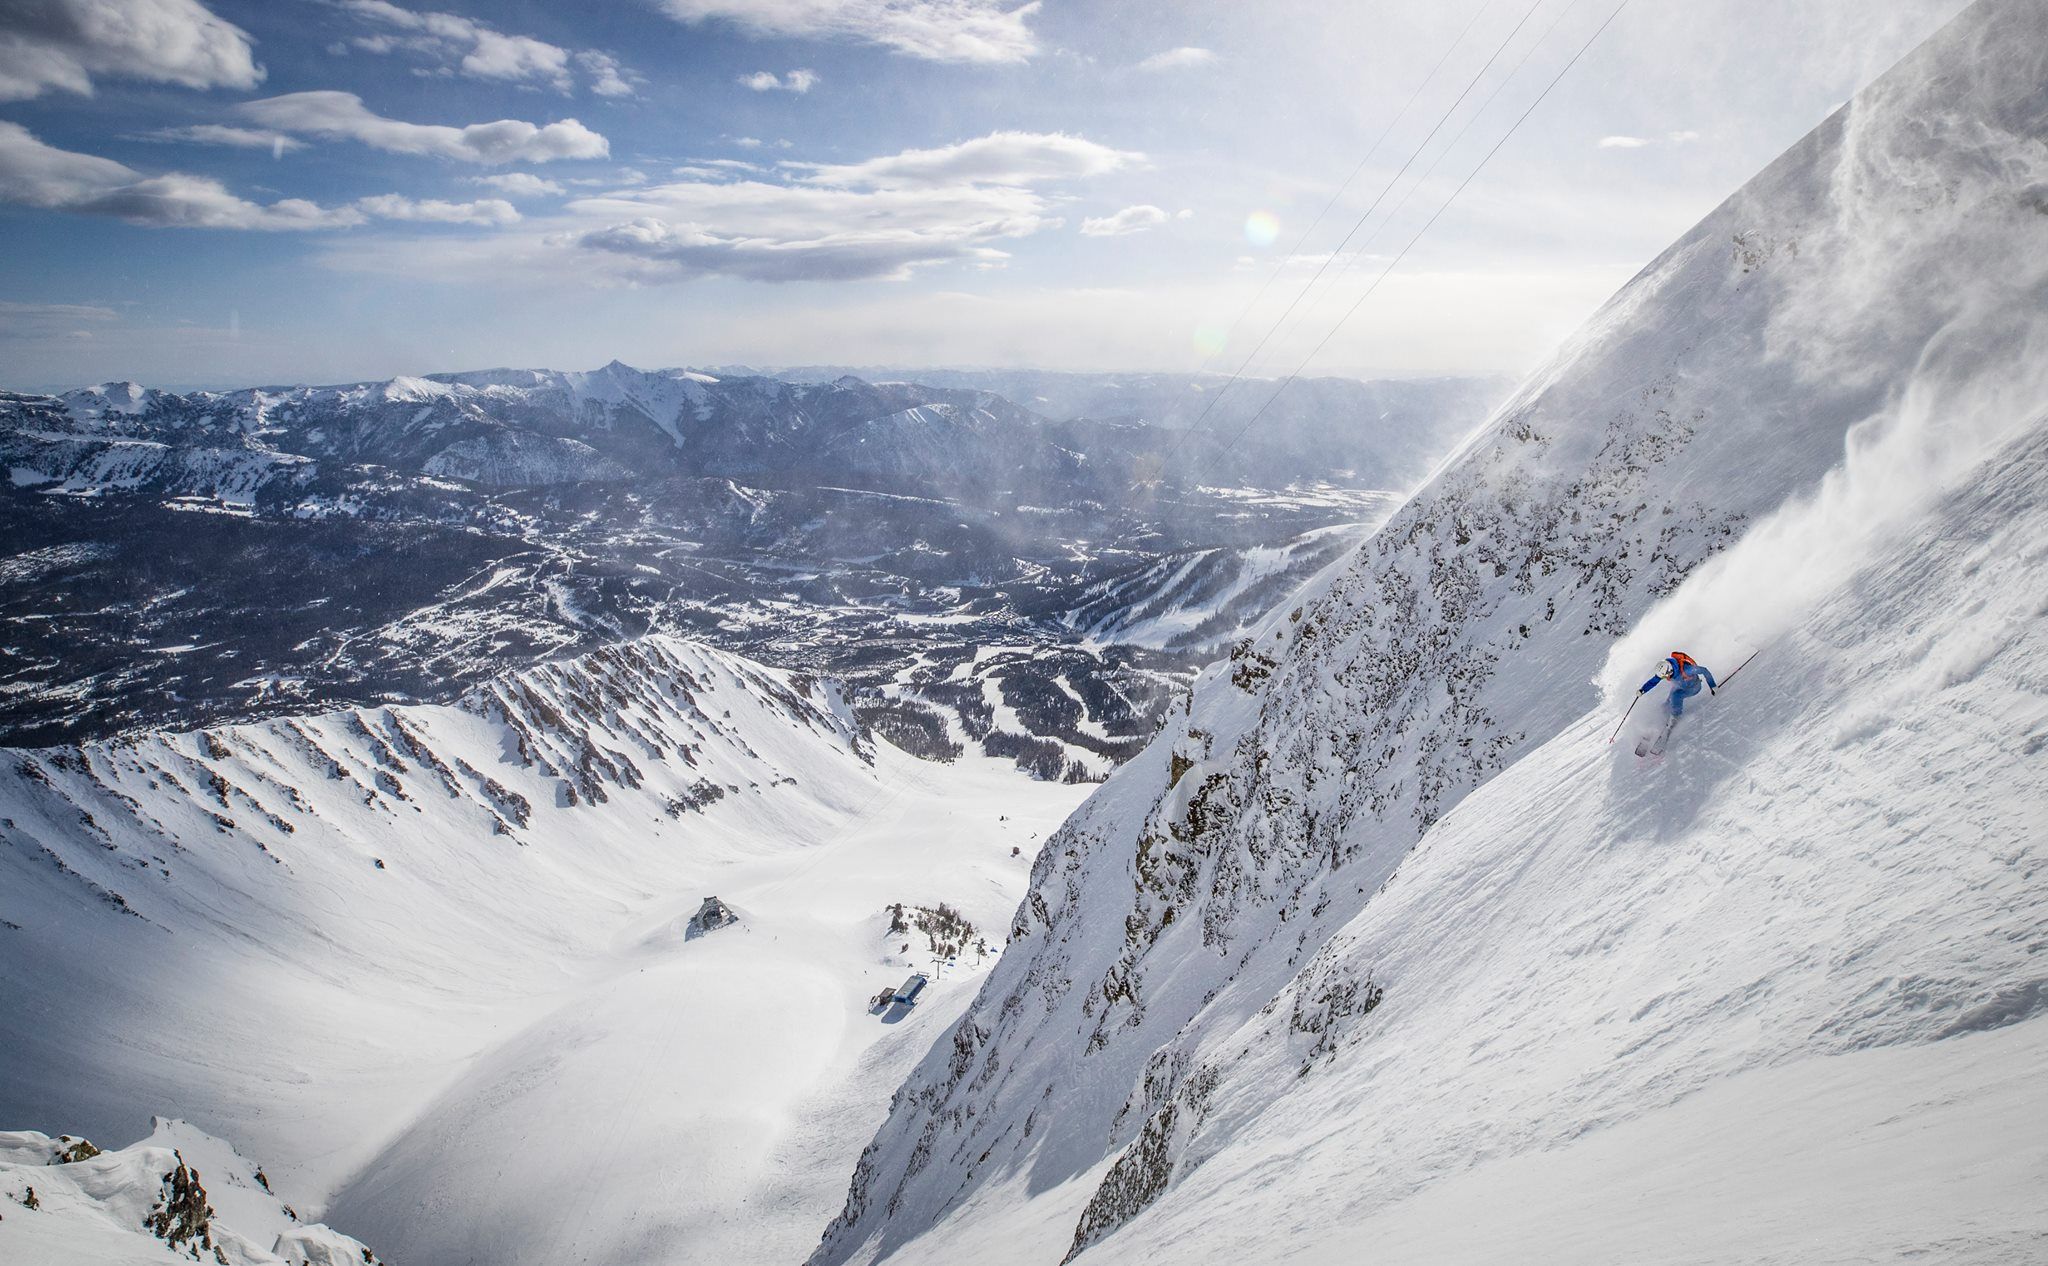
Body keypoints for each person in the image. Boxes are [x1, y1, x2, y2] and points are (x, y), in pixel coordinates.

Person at [1638, 651, 1718, 717]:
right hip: (1680, 685)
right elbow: (1653, 681)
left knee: (1676, 696)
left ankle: (1675, 716)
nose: (1665, 678)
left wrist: (1712, 686)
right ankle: (1664, 714)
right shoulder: (1666, 670)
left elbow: (1704, 670)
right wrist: (1643, 690)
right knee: (1667, 703)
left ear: (1669, 671)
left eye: (1665, 676)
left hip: (1693, 687)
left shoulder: (1687, 670)